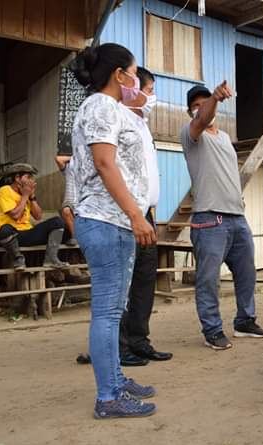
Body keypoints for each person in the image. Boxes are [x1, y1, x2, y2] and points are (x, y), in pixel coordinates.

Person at [70, 43, 156, 419]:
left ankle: (116, 380)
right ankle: (107, 398)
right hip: (106, 221)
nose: (137, 80)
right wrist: (136, 215)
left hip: (114, 221)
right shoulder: (101, 107)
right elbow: (105, 164)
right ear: (119, 74)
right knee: (106, 313)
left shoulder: (110, 108)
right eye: (134, 72)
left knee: (114, 310)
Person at [181, 82, 263, 351]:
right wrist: (214, 99)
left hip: (236, 217)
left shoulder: (224, 138)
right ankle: (212, 329)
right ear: (190, 112)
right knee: (208, 279)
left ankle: (244, 320)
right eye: (196, 105)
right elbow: (203, 117)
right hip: (209, 219)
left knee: (246, 274)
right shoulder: (192, 133)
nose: (202, 108)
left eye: (204, 101)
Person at [116, 67, 172, 366]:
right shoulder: (117, 120)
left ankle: (139, 341)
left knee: (143, 283)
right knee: (123, 285)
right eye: (149, 90)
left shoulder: (143, 124)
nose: (152, 97)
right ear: (132, 89)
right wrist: (134, 214)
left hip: (147, 215)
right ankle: (120, 346)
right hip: (126, 216)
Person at [0, 163, 68, 270]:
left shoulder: (27, 194)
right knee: (4, 229)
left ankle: (51, 259)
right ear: (17, 178)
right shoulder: (5, 190)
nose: (31, 180)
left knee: (58, 222)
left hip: (27, 233)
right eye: (28, 177)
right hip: (12, 236)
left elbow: (38, 216)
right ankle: (18, 259)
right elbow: (15, 215)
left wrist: (32, 197)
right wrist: (25, 196)